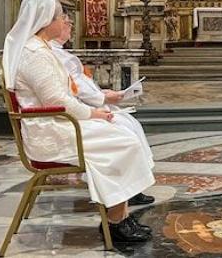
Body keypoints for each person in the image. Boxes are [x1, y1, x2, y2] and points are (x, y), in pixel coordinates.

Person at [2, 0, 155, 243]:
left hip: (58, 122)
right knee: (123, 139)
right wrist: (95, 113)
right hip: (51, 130)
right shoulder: (34, 55)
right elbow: (58, 101)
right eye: (60, 16)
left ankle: (119, 215)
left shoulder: (38, 49)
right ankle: (117, 222)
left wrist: (95, 111)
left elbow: (62, 95)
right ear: (44, 20)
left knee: (122, 132)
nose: (64, 20)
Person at [49, 14, 155, 206]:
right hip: (72, 116)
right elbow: (71, 90)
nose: (70, 25)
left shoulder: (57, 52)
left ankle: (131, 188)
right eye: (66, 22)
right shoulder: (50, 54)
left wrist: (101, 93)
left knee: (131, 125)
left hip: (83, 108)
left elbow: (77, 85)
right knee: (123, 131)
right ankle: (123, 194)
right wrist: (102, 98)